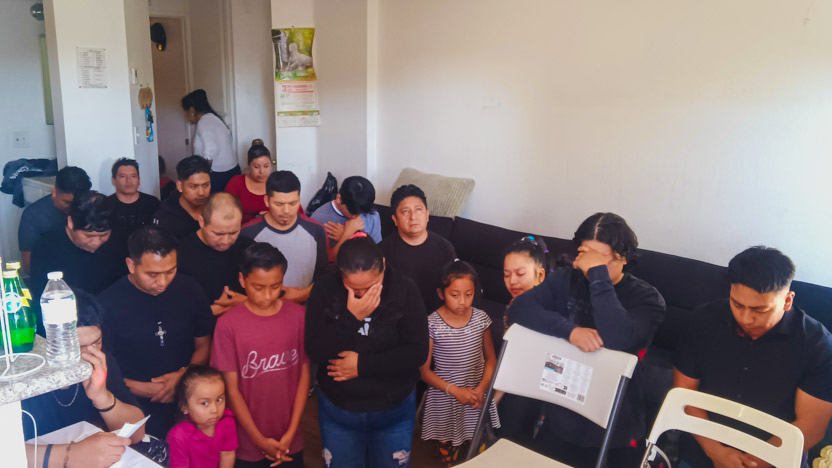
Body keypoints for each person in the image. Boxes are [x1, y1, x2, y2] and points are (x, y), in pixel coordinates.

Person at [506, 212, 665, 467]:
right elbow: (519, 309)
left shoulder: (648, 299)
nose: (589, 264)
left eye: (599, 257)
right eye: (584, 253)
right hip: (561, 411)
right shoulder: (565, 279)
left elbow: (618, 338)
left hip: (616, 426)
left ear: (623, 257)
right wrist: (569, 331)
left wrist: (599, 277)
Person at [674, 246, 832, 468]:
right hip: (704, 448)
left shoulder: (817, 345)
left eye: (760, 310)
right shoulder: (702, 321)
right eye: (737, 305)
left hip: (776, 458)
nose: (746, 318)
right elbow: (684, 394)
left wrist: (752, 464)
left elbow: (811, 427)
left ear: (787, 301)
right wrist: (716, 452)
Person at [305, 236, 429, 468]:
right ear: (340, 274)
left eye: (372, 286)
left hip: (393, 406)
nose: (362, 295)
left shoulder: (404, 288)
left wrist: (361, 366)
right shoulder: (324, 289)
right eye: (354, 289)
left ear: (383, 266)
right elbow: (315, 351)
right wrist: (352, 318)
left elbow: (417, 352)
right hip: (339, 407)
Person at [99, 225, 213, 437]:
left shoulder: (189, 289)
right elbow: (101, 369)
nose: (162, 282)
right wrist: (145, 389)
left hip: (189, 401)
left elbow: (204, 342)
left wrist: (184, 376)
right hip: (133, 407)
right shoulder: (108, 304)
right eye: (152, 274)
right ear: (131, 265)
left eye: (170, 271)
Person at [212, 242, 309, 467]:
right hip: (246, 443)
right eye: (258, 287)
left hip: (290, 439)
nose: (267, 296)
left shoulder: (299, 317)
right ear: (242, 280)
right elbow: (231, 390)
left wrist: (291, 432)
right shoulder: (228, 325)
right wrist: (259, 440)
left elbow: (303, 378)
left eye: (276, 287)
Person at [23, 290, 145, 468]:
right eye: (77, 347)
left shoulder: (99, 361)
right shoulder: (21, 375)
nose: (89, 354)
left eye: (97, 342)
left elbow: (136, 434)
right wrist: (69, 455)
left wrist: (102, 397)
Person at [420, 260, 499, 466]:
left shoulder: (481, 319)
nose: (462, 301)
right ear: (441, 293)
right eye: (454, 295)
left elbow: (491, 359)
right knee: (449, 456)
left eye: (468, 294)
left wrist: (481, 389)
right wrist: (454, 391)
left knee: (479, 450)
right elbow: (424, 371)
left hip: (476, 395)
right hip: (446, 396)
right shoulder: (431, 323)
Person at [30, 191, 127, 334]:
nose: (96, 242)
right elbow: (42, 303)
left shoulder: (119, 242)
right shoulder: (46, 249)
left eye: (103, 235)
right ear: (71, 222)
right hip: (70, 329)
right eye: (89, 236)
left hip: (112, 323)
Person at [241, 171, 327, 304]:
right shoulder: (248, 233)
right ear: (267, 201)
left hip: (304, 307)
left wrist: (304, 294)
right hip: (261, 308)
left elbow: (324, 276)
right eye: (279, 204)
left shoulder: (316, 231)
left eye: (293, 203)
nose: (286, 211)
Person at [379, 184, 457, 313]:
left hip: (436, 317)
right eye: (405, 211)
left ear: (427, 215)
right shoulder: (382, 251)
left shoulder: (445, 248)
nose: (413, 217)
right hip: (397, 316)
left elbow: (457, 287)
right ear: (395, 220)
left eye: (418, 210)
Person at [177, 193, 252, 317]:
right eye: (218, 234)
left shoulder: (249, 249)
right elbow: (173, 308)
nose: (226, 241)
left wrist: (247, 302)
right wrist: (210, 311)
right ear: (201, 222)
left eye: (233, 232)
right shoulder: (180, 254)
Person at [18, 165, 91, 273]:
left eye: (78, 203)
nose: (73, 208)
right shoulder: (33, 215)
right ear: (54, 192)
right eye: (67, 202)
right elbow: (29, 266)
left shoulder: (93, 208)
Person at [167, 365, 237, 468]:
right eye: (204, 403)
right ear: (184, 407)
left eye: (219, 400)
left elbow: (227, 454)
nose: (215, 409)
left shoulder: (227, 421)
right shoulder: (179, 436)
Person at [182, 89, 239, 192]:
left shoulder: (204, 122)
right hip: (231, 170)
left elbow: (210, 149)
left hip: (218, 175)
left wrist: (203, 172)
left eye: (185, 112)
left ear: (191, 110)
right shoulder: (214, 119)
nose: (185, 116)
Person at [311, 175, 382, 256]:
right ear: (339, 198)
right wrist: (347, 235)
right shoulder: (319, 220)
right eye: (352, 212)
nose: (357, 217)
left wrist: (350, 236)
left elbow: (377, 254)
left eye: (362, 212)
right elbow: (322, 260)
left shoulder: (372, 215)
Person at [153, 155, 211, 239]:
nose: (201, 193)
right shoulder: (164, 218)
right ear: (179, 186)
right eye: (194, 186)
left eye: (206, 185)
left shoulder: (216, 208)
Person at [106, 158, 160, 238]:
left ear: (139, 180)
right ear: (114, 180)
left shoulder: (152, 203)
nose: (129, 181)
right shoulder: (105, 205)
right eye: (122, 176)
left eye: (133, 176)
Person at [224, 145, 272, 224]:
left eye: (266, 166)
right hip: (241, 228)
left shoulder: (277, 184)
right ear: (249, 166)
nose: (262, 171)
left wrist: (272, 215)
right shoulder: (236, 182)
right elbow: (225, 211)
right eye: (256, 167)